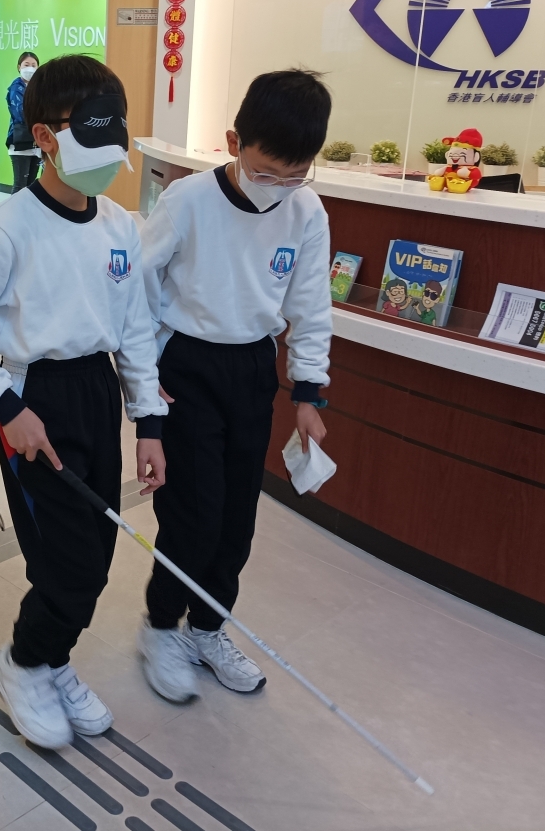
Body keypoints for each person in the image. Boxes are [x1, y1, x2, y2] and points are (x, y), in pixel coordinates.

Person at [0, 55, 167, 749]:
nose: (109, 151)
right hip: (34, 399)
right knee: (67, 561)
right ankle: (24, 662)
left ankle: (52, 655)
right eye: (93, 132)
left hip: (97, 391)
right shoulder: (6, 229)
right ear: (45, 136)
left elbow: (136, 330)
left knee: (95, 549)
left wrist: (148, 421)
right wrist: (7, 408)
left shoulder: (119, 226)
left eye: (116, 132)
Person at [136, 69, 333, 702]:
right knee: (192, 515)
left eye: (296, 175)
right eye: (267, 172)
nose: (279, 188)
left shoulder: (306, 210)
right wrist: (143, 374)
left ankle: (208, 629)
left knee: (237, 519)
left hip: (252, 370)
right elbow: (137, 284)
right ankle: (161, 627)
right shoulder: (188, 201)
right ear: (233, 143)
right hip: (187, 367)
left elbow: (311, 305)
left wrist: (308, 392)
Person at [6, 51, 41, 193]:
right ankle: (15, 209)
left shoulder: (39, 87)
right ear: (19, 67)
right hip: (21, 141)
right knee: (20, 186)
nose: (30, 68)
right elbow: (20, 113)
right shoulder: (16, 87)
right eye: (26, 65)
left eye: (33, 65)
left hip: (37, 142)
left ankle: (28, 208)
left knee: (32, 186)